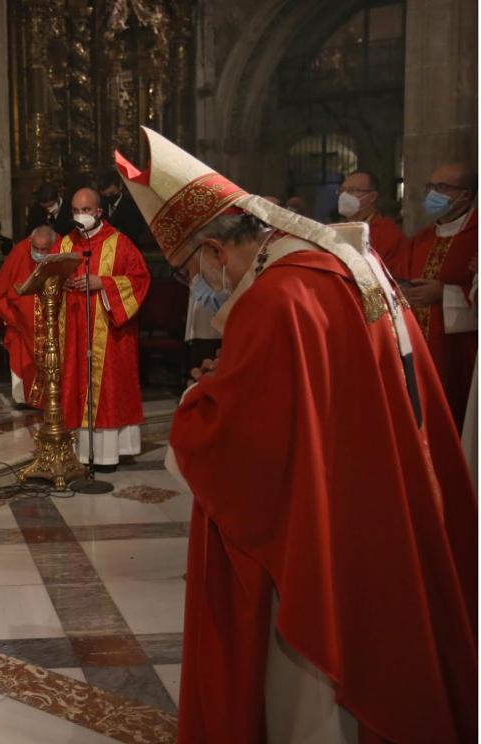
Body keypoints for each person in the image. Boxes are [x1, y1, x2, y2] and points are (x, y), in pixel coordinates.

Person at [116, 126, 476, 743]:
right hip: (376, 496)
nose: (201, 285)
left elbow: (237, 446)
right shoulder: (340, 259)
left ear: (215, 250)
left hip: (318, 533)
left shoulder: (279, 296)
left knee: (308, 697)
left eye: (190, 269)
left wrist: (201, 397)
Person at [58, 188, 148, 469]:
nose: (79, 216)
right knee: (77, 383)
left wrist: (103, 284)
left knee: (109, 388)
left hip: (111, 332)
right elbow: (49, 276)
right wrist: (60, 284)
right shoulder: (65, 244)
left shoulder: (120, 243)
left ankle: (111, 452)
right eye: (75, 211)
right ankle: (83, 451)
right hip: (74, 329)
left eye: (85, 210)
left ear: (99, 212)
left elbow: (139, 280)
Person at [400, 161, 477, 427]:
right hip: (419, 344)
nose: (433, 193)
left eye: (442, 187)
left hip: (458, 350)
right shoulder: (421, 238)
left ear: (466, 195)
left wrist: (445, 293)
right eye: (431, 186)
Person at [0, 225, 59, 406]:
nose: (39, 253)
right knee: (23, 357)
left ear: (52, 246)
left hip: (53, 322)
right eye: (36, 249)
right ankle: (26, 399)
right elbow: (1, 291)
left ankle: (54, 400)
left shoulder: (61, 250)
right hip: (22, 322)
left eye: (45, 250)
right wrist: (12, 318)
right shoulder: (20, 251)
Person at [336, 170, 406, 267]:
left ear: (372, 196)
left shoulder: (387, 232)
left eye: (352, 190)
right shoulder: (335, 230)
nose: (344, 196)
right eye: (342, 190)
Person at [98, 169, 152, 250]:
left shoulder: (132, 207)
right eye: (106, 195)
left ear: (120, 186)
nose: (109, 197)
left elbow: (133, 234)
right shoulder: (101, 205)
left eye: (112, 194)